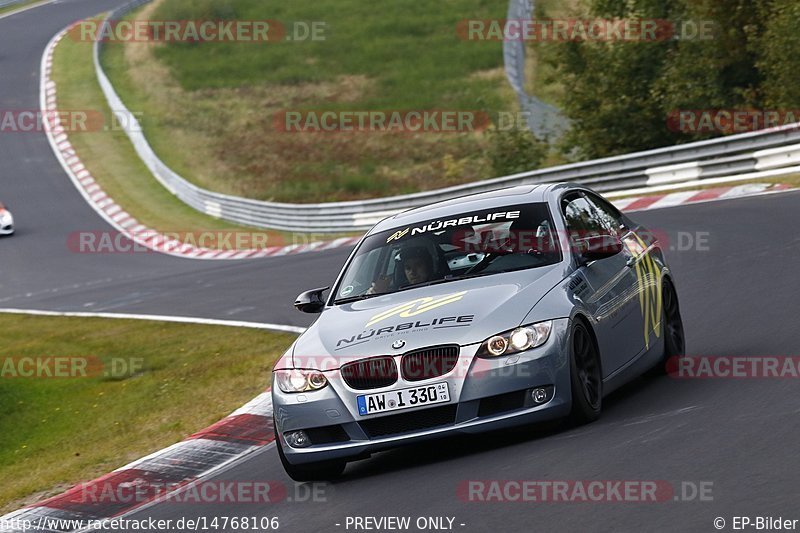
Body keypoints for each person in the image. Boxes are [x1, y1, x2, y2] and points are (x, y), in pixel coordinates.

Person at [367, 245, 435, 294]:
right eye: (408, 268)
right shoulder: (394, 294)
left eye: (418, 265)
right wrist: (374, 294)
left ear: (428, 266)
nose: (413, 272)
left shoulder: (441, 287)